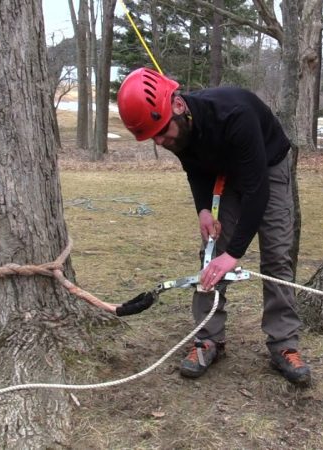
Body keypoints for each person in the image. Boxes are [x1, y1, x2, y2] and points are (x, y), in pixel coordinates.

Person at [117, 67, 311, 386]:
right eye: (154, 138)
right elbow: (195, 169)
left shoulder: (235, 115)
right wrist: (204, 209)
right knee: (211, 255)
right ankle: (208, 339)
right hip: (224, 170)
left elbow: (257, 191)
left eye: (163, 132)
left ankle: (284, 344)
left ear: (177, 106)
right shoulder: (178, 131)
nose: (162, 141)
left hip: (268, 168)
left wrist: (234, 254)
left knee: (276, 256)